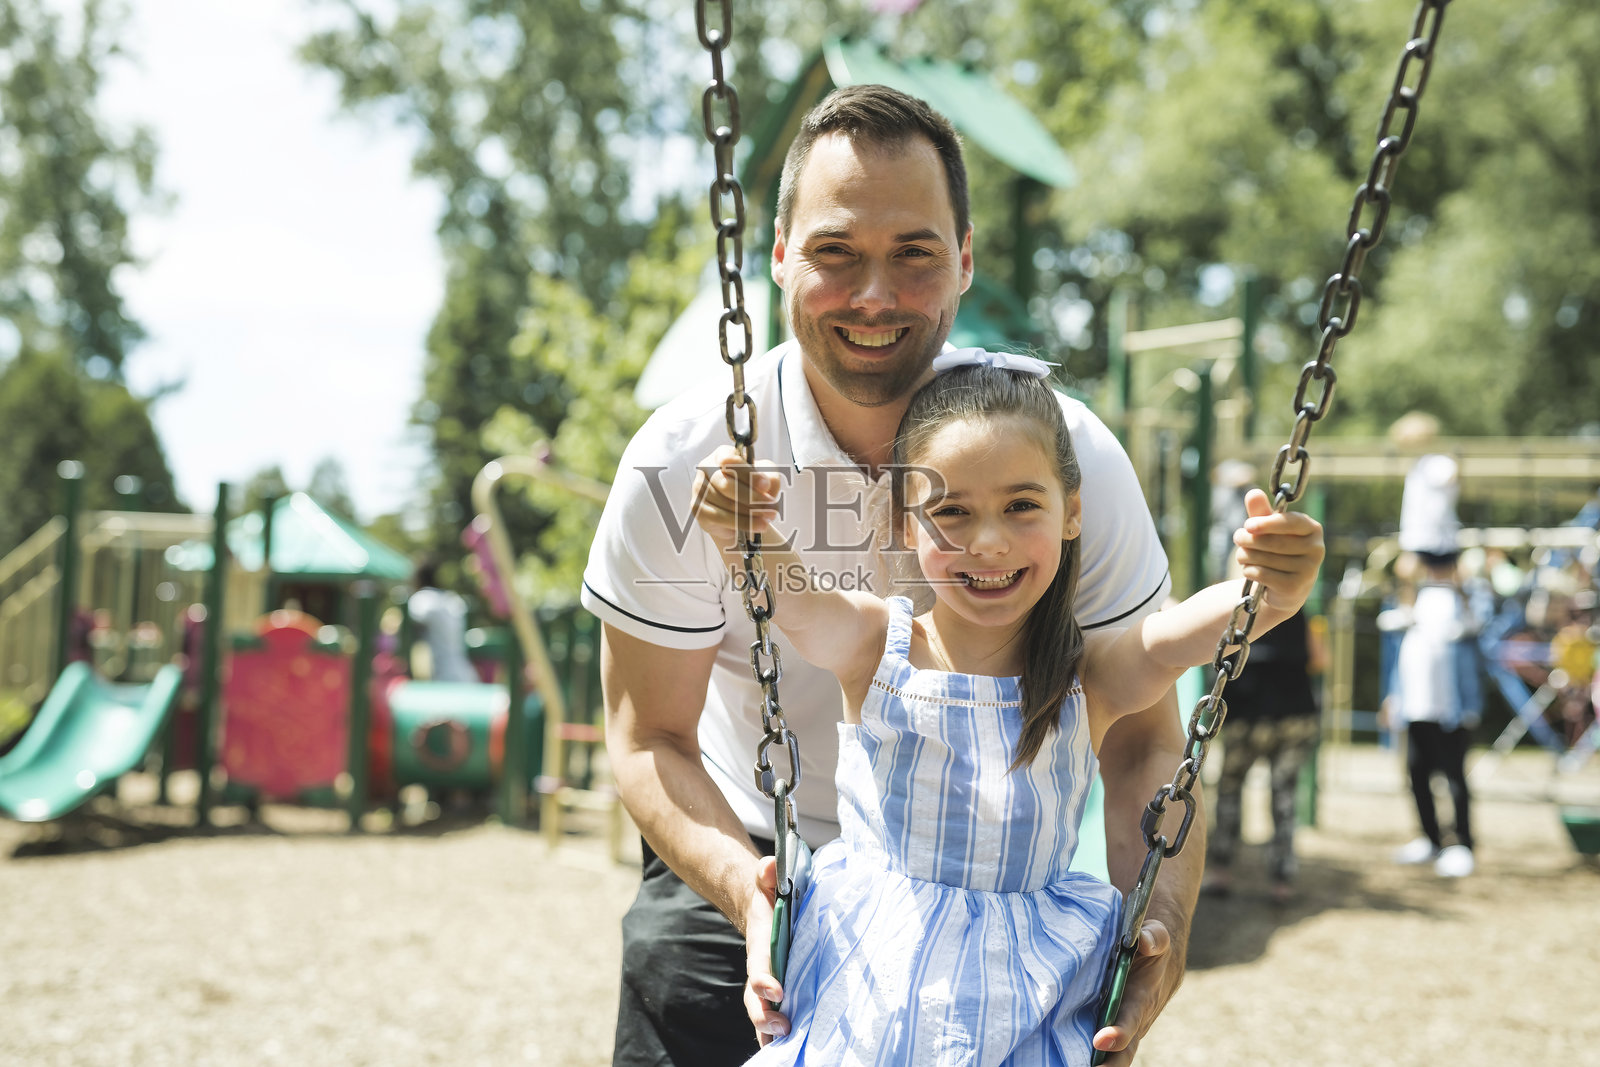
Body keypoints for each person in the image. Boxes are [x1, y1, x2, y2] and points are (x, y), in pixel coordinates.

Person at [582, 84, 1196, 1066]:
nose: (874, 296)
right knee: (668, 955)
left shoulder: (1060, 455)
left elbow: (1142, 740)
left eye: (912, 254)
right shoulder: (681, 460)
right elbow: (648, 734)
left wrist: (1157, 918)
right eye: (835, 253)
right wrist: (745, 887)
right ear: (776, 252)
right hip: (754, 848)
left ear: (964, 258)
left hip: (983, 872)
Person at [688, 354, 1324, 1062]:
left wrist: (1272, 589)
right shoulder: (876, 645)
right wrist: (745, 529)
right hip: (869, 990)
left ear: (1072, 511)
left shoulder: (1091, 674)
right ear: (903, 522)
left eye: (1022, 506)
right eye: (952, 511)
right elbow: (796, 600)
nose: (988, 541)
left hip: (1021, 1001)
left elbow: (1193, 630)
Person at [1201, 605, 1327, 903]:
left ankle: (1220, 871)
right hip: (1294, 713)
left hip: (1246, 713)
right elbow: (1320, 658)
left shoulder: (1234, 608)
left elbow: (1213, 658)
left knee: (1230, 789)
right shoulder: (1296, 606)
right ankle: (1282, 881)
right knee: (1284, 794)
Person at [1381, 551, 1479, 878]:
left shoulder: (1466, 598)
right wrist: (1394, 697)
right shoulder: (1411, 599)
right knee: (1417, 772)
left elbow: (1479, 630)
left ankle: (1462, 842)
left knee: (1453, 775)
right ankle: (1431, 837)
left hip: (1451, 706)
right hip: (1416, 704)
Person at [407, 557, 478, 684]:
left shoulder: (423, 599)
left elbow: (408, 621)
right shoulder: (452, 599)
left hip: (444, 678)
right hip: (465, 674)